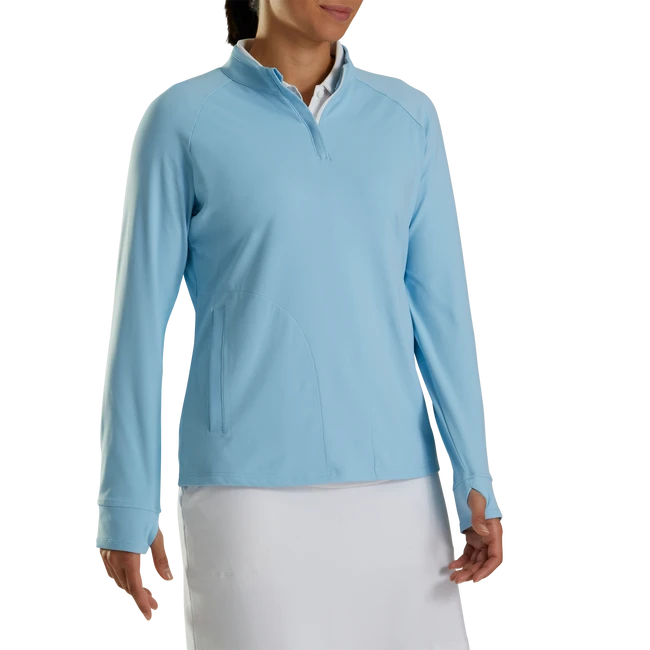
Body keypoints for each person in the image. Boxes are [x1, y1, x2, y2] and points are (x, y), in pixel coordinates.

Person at [95, 0, 505, 646]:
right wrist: (127, 502)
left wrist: (477, 483)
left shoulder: (407, 118)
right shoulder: (183, 119)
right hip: (247, 502)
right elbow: (142, 326)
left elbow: (444, 320)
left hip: (403, 498)